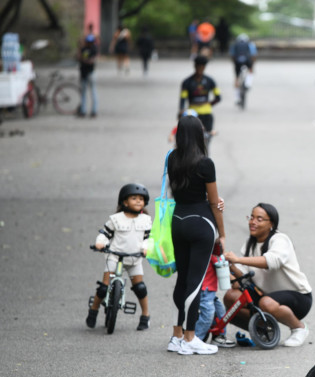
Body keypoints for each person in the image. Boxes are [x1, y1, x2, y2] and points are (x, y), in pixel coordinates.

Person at [167, 114, 226, 355]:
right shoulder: (205, 163)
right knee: (195, 282)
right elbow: (213, 202)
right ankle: (191, 338)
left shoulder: (172, 159)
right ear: (199, 135)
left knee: (182, 280)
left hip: (177, 221)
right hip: (201, 223)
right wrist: (222, 233)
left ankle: (176, 335)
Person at [223, 203, 312, 347]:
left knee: (266, 302)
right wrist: (228, 266)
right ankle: (264, 328)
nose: (253, 222)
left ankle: (299, 328)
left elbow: (270, 261)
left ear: (271, 223)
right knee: (231, 297)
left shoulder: (280, 239)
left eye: (259, 219)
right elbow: (242, 277)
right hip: (266, 296)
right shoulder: (249, 244)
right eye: (251, 217)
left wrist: (237, 259)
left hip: (298, 297)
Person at [86, 183, 152, 331]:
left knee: (140, 288)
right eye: (134, 198)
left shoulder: (146, 220)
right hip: (114, 257)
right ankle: (94, 310)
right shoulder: (116, 219)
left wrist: (146, 248)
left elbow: (149, 238)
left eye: (141, 199)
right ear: (124, 202)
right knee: (103, 288)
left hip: (134, 258)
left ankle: (145, 316)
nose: (138, 201)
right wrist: (100, 243)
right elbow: (105, 234)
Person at [193, 243, 235, 347]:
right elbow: (221, 265)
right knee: (208, 315)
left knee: (220, 311)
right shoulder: (209, 256)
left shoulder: (210, 255)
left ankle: (218, 336)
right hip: (205, 290)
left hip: (209, 291)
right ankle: (195, 339)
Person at [179, 55, 221, 139]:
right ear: (194, 66)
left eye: (202, 68)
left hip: (207, 114)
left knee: (207, 138)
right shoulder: (187, 82)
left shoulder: (210, 81)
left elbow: (218, 97)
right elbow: (182, 99)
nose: (200, 70)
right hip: (193, 115)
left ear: (204, 68)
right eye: (198, 67)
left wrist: (208, 104)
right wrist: (181, 111)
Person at [230, 33, 257, 103]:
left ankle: (237, 98)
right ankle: (248, 84)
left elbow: (232, 55)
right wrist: (252, 65)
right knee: (251, 71)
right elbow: (253, 55)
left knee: (236, 78)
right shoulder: (250, 44)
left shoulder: (235, 45)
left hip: (237, 61)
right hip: (247, 60)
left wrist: (234, 64)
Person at [77, 33, 99, 118]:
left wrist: (84, 60)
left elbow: (91, 60)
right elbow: (79, 57)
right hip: (84, 73)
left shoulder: (93, 49)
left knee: (92, 92)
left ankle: (93, 110)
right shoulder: (84, 48)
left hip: (90, 73)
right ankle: (84, 110)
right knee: (85, 92)